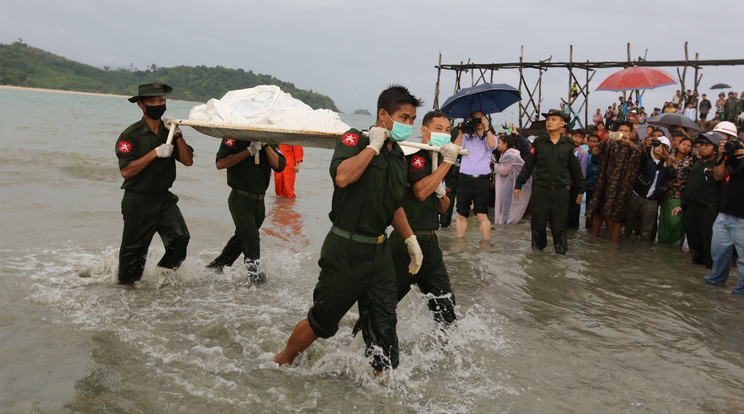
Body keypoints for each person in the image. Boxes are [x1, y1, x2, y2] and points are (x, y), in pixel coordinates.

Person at [274, 85, 424, 373]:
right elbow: (343, 177)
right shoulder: (355, 139)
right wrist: (372, 147)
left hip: (379, 255)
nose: (408, 125)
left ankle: (383, 386)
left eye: (411, 120)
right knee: (322, 322)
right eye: (403, 118)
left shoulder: (397, 157)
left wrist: (410, 240)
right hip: (346, 249)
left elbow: (394, 205)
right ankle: (282, 361)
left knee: (384, 324)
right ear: (383, 115)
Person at [382, 110, 461, 328]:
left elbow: (443, 208)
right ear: (425, 132)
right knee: (384, 304)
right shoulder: (415, 157)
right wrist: (447, 164)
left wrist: (442, 192)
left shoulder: (439, 162)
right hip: (406, 242)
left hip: (431, 242)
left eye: (448, 131)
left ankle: (445, 355)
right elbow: (420, 192)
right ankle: (355, 344)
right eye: (438, 129)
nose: (444, 134)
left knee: (446, 307)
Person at [115, 82, 194, 285]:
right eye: (153, 101)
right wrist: (155, 153)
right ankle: (125, 294)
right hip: (138, 200)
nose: (159, 104)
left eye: (162, 100)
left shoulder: (169, 131)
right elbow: (126, 171)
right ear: (141, 105)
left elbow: (187, 161)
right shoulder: (129, 136)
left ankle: (160, 278)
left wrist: (177, 135)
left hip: (163, 198)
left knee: (181, 238)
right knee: (134, 255)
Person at [206, 137, 286, 283]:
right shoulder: (236, 135)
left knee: (241, 239)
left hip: (259, 201)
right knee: (252, 240)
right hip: (240, 199)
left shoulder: (269, 138)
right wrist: (248, 151)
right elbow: (220, 163)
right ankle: (256, 280)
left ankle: (217, 267)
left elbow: (279, 166)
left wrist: (266, 145)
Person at [514, 109, 584, 254]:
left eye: (553, 119)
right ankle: (538, 258)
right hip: (541, 190)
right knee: (537, 226)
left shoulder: (569, 145)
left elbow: (575, 169)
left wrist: (580, 189)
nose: (549, 122)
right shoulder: (539, 143)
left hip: (560, 192)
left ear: (562, 124)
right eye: (548, 119)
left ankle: (560, 258)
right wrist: (519, 184)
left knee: (559, 228)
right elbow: (529, 165)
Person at [672, 132, 723, 267]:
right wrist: (682, 206)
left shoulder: (718, 165)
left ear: (715, 147)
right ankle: (694, 277)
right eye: (700, 145)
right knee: (694, 246)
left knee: (708, 245)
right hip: (692, 210)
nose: (702, 148)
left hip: (709, 211)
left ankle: (709, 276)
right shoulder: (697, 163)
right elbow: (691, 187)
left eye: (706, 145)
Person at [703, 127, 744, 293]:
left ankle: (740, 293)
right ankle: (715, 286)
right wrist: (722, 156)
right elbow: (719, 176)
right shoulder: (735, 154)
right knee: (718, 254)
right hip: (725, 213)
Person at [586, 122, 642, 242]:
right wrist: (604, 140)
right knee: (599, 211)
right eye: (621, 130)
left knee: (617, 215)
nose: (624, 133)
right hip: (604, 183)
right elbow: (596, 155)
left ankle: (613, 244)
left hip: (622, 187)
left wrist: (629, 143)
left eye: (626, 131)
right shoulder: (610, 143)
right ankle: (594, 239)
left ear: (631, 133)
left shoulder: (634, 147)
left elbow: (638, 159)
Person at [454, 111, 496, 240]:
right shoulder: (466, 137)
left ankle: (486, 243)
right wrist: (461, 132)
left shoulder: (490, 137)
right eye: (475, 120)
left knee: (481, 214)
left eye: (480, 119)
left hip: (482, 180)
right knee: (461, 213)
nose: (477, 122)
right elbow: (455, 149)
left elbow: (492, 145)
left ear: (485, 119)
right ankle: (460, 241)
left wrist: (486, 127)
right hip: (464, 178)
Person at [624, 136, 676, 241]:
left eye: (663, 146)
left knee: (647, 228)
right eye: (657, 145)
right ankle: (624, 245)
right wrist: (645, 146)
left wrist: (667, 159)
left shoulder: (666, 163)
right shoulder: (646, 157)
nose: (659, 148)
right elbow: (641, 156)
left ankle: (644, 250)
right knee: (629, 221)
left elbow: (672, 175)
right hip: (637, 194)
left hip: (652, 199)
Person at [658, 137, 693, 244]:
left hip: (680, 195)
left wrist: (683, 181)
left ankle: (676, 245)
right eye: (684, 144)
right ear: (678, 144)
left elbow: (694, 178)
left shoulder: (691, 161)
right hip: (666, 193)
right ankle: (663, 246)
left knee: (676, 222)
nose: (685, 147)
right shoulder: (669, 156)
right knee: (665, 221)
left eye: (689, 146)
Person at [494, 134, 530, 224]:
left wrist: (494, 165)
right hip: (508, 185)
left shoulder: (509, 155)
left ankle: (505, 225)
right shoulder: (507, 154)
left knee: (506, 208)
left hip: (508, 186)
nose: (497, 144)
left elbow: (505, 170)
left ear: (505, 144)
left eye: (499, 142)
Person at [568, 129, 589, 229]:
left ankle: (573, 231)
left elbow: (582, 172)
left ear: (583, 139)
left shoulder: (583, 153)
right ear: (571, 136)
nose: (577, 139)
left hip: (575, 185)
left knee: (574, 210)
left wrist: (575, 182)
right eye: (575, 136)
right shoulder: (566, 149)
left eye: (580, 137)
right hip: (563, 183)